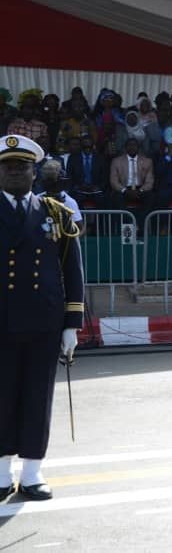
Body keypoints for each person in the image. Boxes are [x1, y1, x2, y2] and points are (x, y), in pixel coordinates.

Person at [0, 135, 84, 502]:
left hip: (43, 322)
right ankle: (1, 473)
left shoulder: (56, 213)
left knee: (37, 395)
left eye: (22, 167)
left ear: (35, 172)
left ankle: (33, 471)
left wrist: (71, 325)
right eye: (8, 167)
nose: (15, 172)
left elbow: (73, 269)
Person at [109, 137, 155, 224]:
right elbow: (113, 181)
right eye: (129, 145)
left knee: (151, 197)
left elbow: (150, 182)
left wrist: (140, 190)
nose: (132, 147)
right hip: (123, 189)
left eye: (134, 145)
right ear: (125, 148)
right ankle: (128, 225)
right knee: (116, 199)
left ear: (138, 147)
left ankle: (140, 225)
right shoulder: (116, 161)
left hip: (140, 189)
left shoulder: (147, 161)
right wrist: (125, 190)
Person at [66, 134, 106, 207]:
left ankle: (100, 219)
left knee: (103, 199)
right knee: (74, 200)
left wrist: (98, 187)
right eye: (85, 147)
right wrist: (77, 187)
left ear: (93, 146)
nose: (87, 149)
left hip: (95, 190)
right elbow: (69, 176)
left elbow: (104, 176)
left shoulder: (100, 158)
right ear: (81, 146)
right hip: (79, 189)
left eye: (89, 147)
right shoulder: (73, 158)